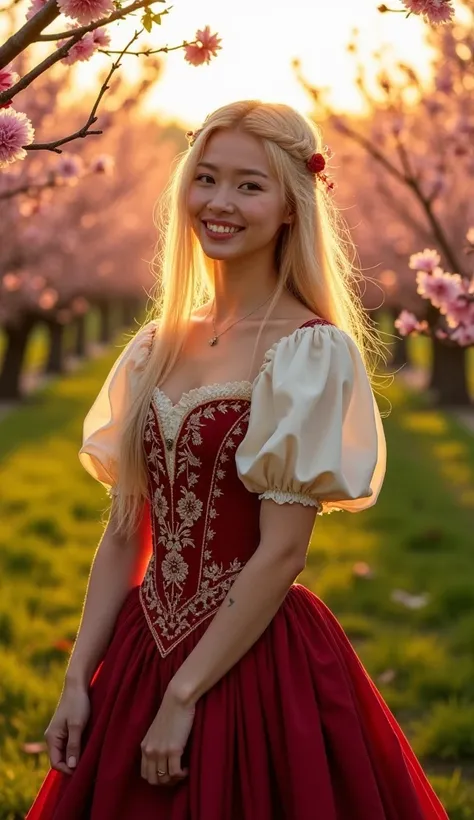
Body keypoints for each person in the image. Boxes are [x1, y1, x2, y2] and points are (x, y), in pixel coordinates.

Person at [27, 100, 448, 819]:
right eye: (207, 179)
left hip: (253, 656)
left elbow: (282, 555)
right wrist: (79, 677)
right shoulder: (153, 345)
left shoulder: (311, 352)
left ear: (291, 206)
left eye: (250, 186)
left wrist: (184, 694)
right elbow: (127, 530)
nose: (220, 203)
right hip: (141, 642)